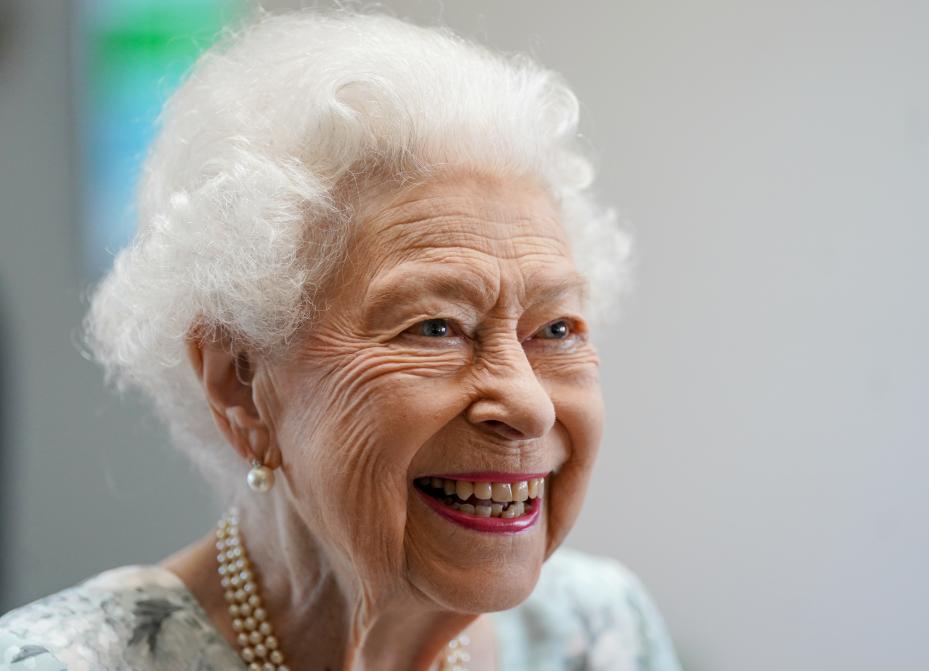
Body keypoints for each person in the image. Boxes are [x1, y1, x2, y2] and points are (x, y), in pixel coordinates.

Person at [0, 8, 682, 671]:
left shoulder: (599, 634)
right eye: (436, 327)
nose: (530, 405)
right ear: (240, 382)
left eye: (556, 329)